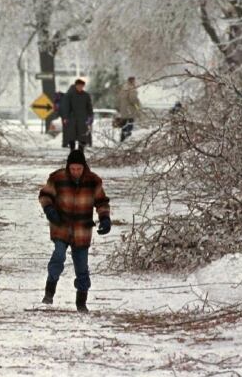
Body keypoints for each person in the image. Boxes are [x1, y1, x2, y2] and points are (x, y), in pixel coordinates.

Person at [38, 149, 111, 313]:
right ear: (68, 167)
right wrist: (49, 209)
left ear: (84, 167)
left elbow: (101, 202)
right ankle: (50, 289)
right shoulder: (57, 178)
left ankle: (81, 301)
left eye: (79, 169)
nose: (76, 172)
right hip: (60, 225)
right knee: (58, 255)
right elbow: (45, 195)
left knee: (82, 267)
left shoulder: (93, 181)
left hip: (82, 230)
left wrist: (105, 218)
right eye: (72, 169)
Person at [59, 78, 93, 150]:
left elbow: (89, 107)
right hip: (72, 119)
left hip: (83, 119)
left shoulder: (86, 95)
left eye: (82, 86)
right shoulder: (69, 95)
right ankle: (73, 150)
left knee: (82, 136)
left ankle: (81, 151)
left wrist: (90, 117)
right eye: (79, 86)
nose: (80, 87)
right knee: (72, 136)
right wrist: (65, 117)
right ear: (76, 85)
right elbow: (66, 107)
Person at [116, 76, 142, 142]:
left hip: (123, 110)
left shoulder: (123, 88)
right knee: (130, 124)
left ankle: (122, 139)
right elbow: (133, 99)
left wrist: (120, 108)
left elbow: (118, 99)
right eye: (134, 81)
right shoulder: (131, 88)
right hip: (129, 110)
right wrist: (138, 106)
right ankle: (127, 140)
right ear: (132, 81)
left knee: (124, 125)